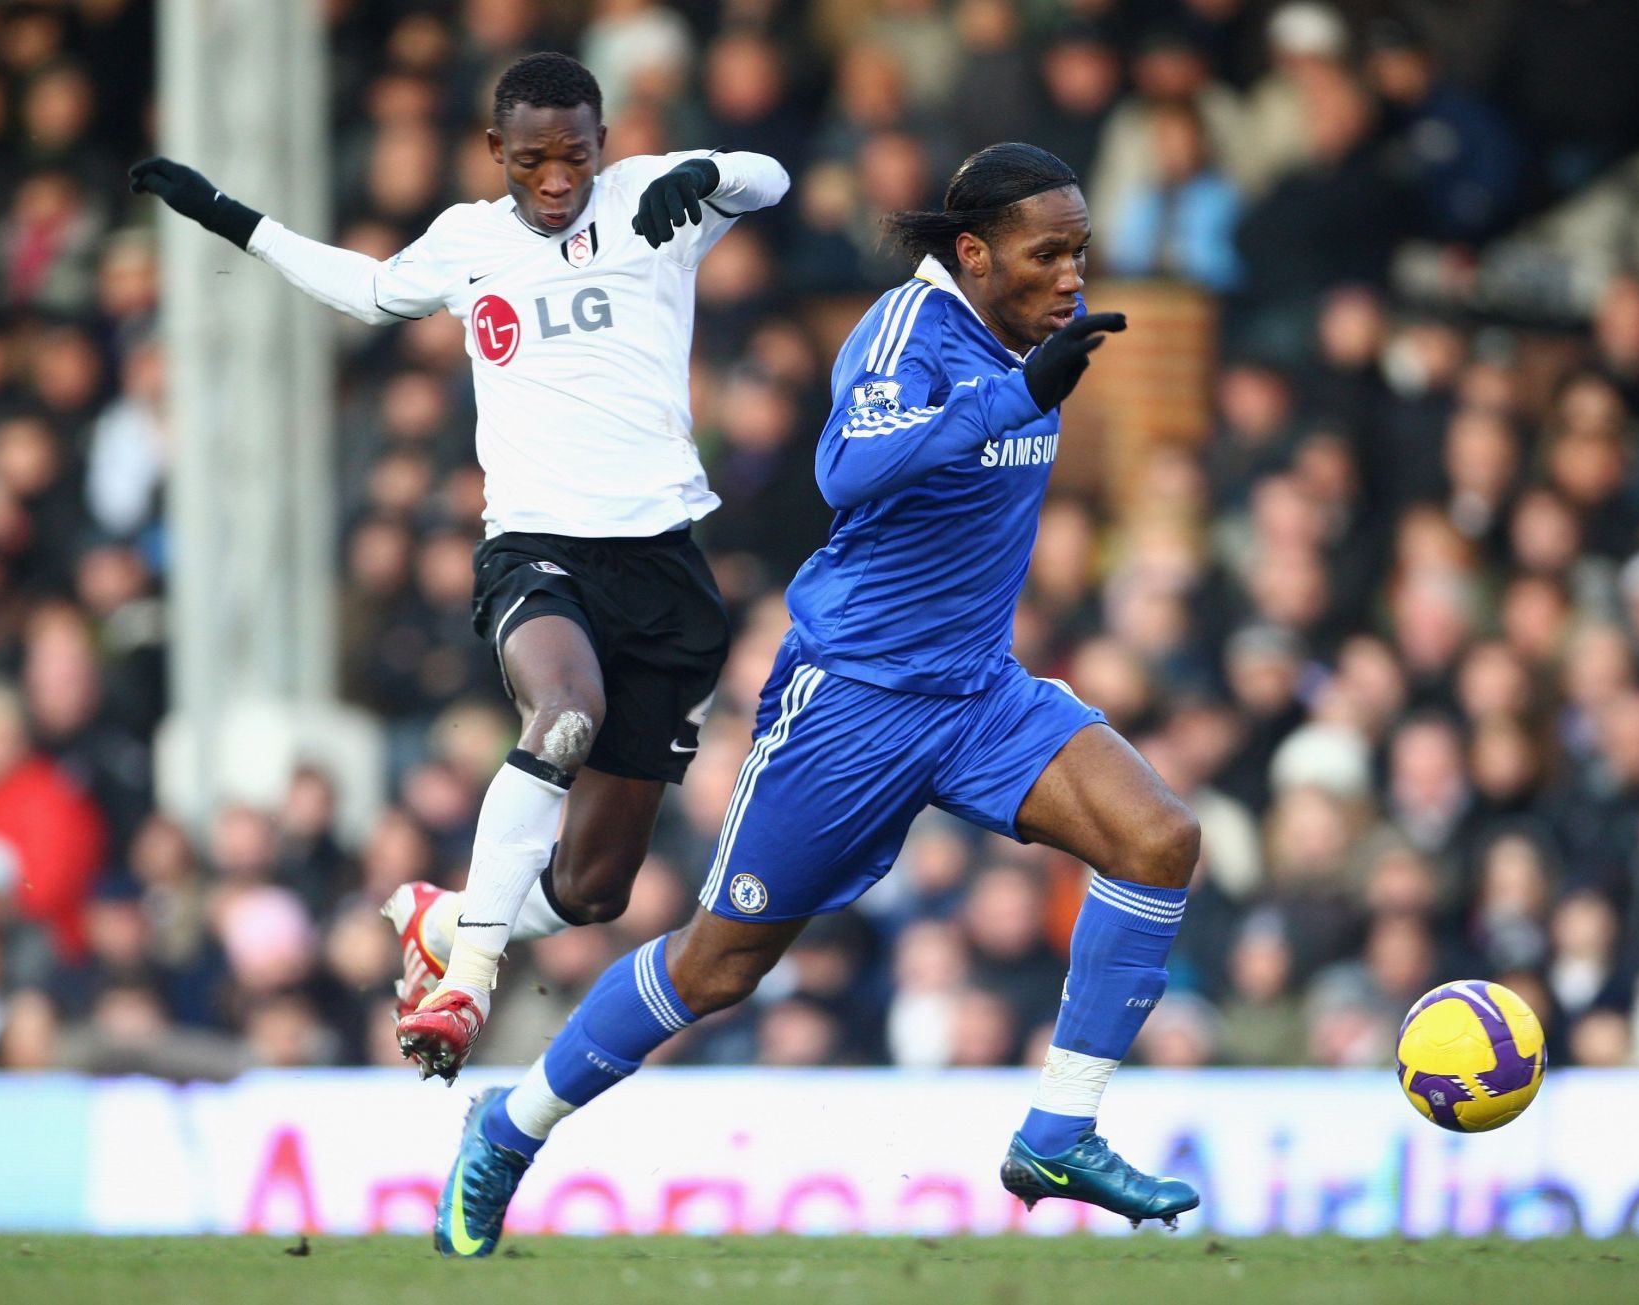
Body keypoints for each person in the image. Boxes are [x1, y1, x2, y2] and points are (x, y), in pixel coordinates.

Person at [428, 143, 1203, 1258]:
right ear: (975, 253)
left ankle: (1058, 1131)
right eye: (1050, 253)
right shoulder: (908, 333)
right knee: (718, 965)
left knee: (1159, 839)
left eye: (1082, 250)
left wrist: (1025, 382)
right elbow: (847, 472)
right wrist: (1016, 396)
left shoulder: (1034, 339)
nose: (1074, 274)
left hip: (979, 692)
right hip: (851, 708)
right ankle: (512, 1125)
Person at [129, 53, 788, 1081]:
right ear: (496, 153)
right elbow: (370, 290)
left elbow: (769, 175)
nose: (558, 180)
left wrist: (709, 177)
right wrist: (231, 218)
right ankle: (466, 984)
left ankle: (447, 916)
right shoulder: (468, 241)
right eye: (533, 160)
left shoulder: (655, 197)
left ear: (603, 141)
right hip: (537, 553)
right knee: (562, 710)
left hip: (661, 568)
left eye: (576, 155)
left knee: (596, 890)